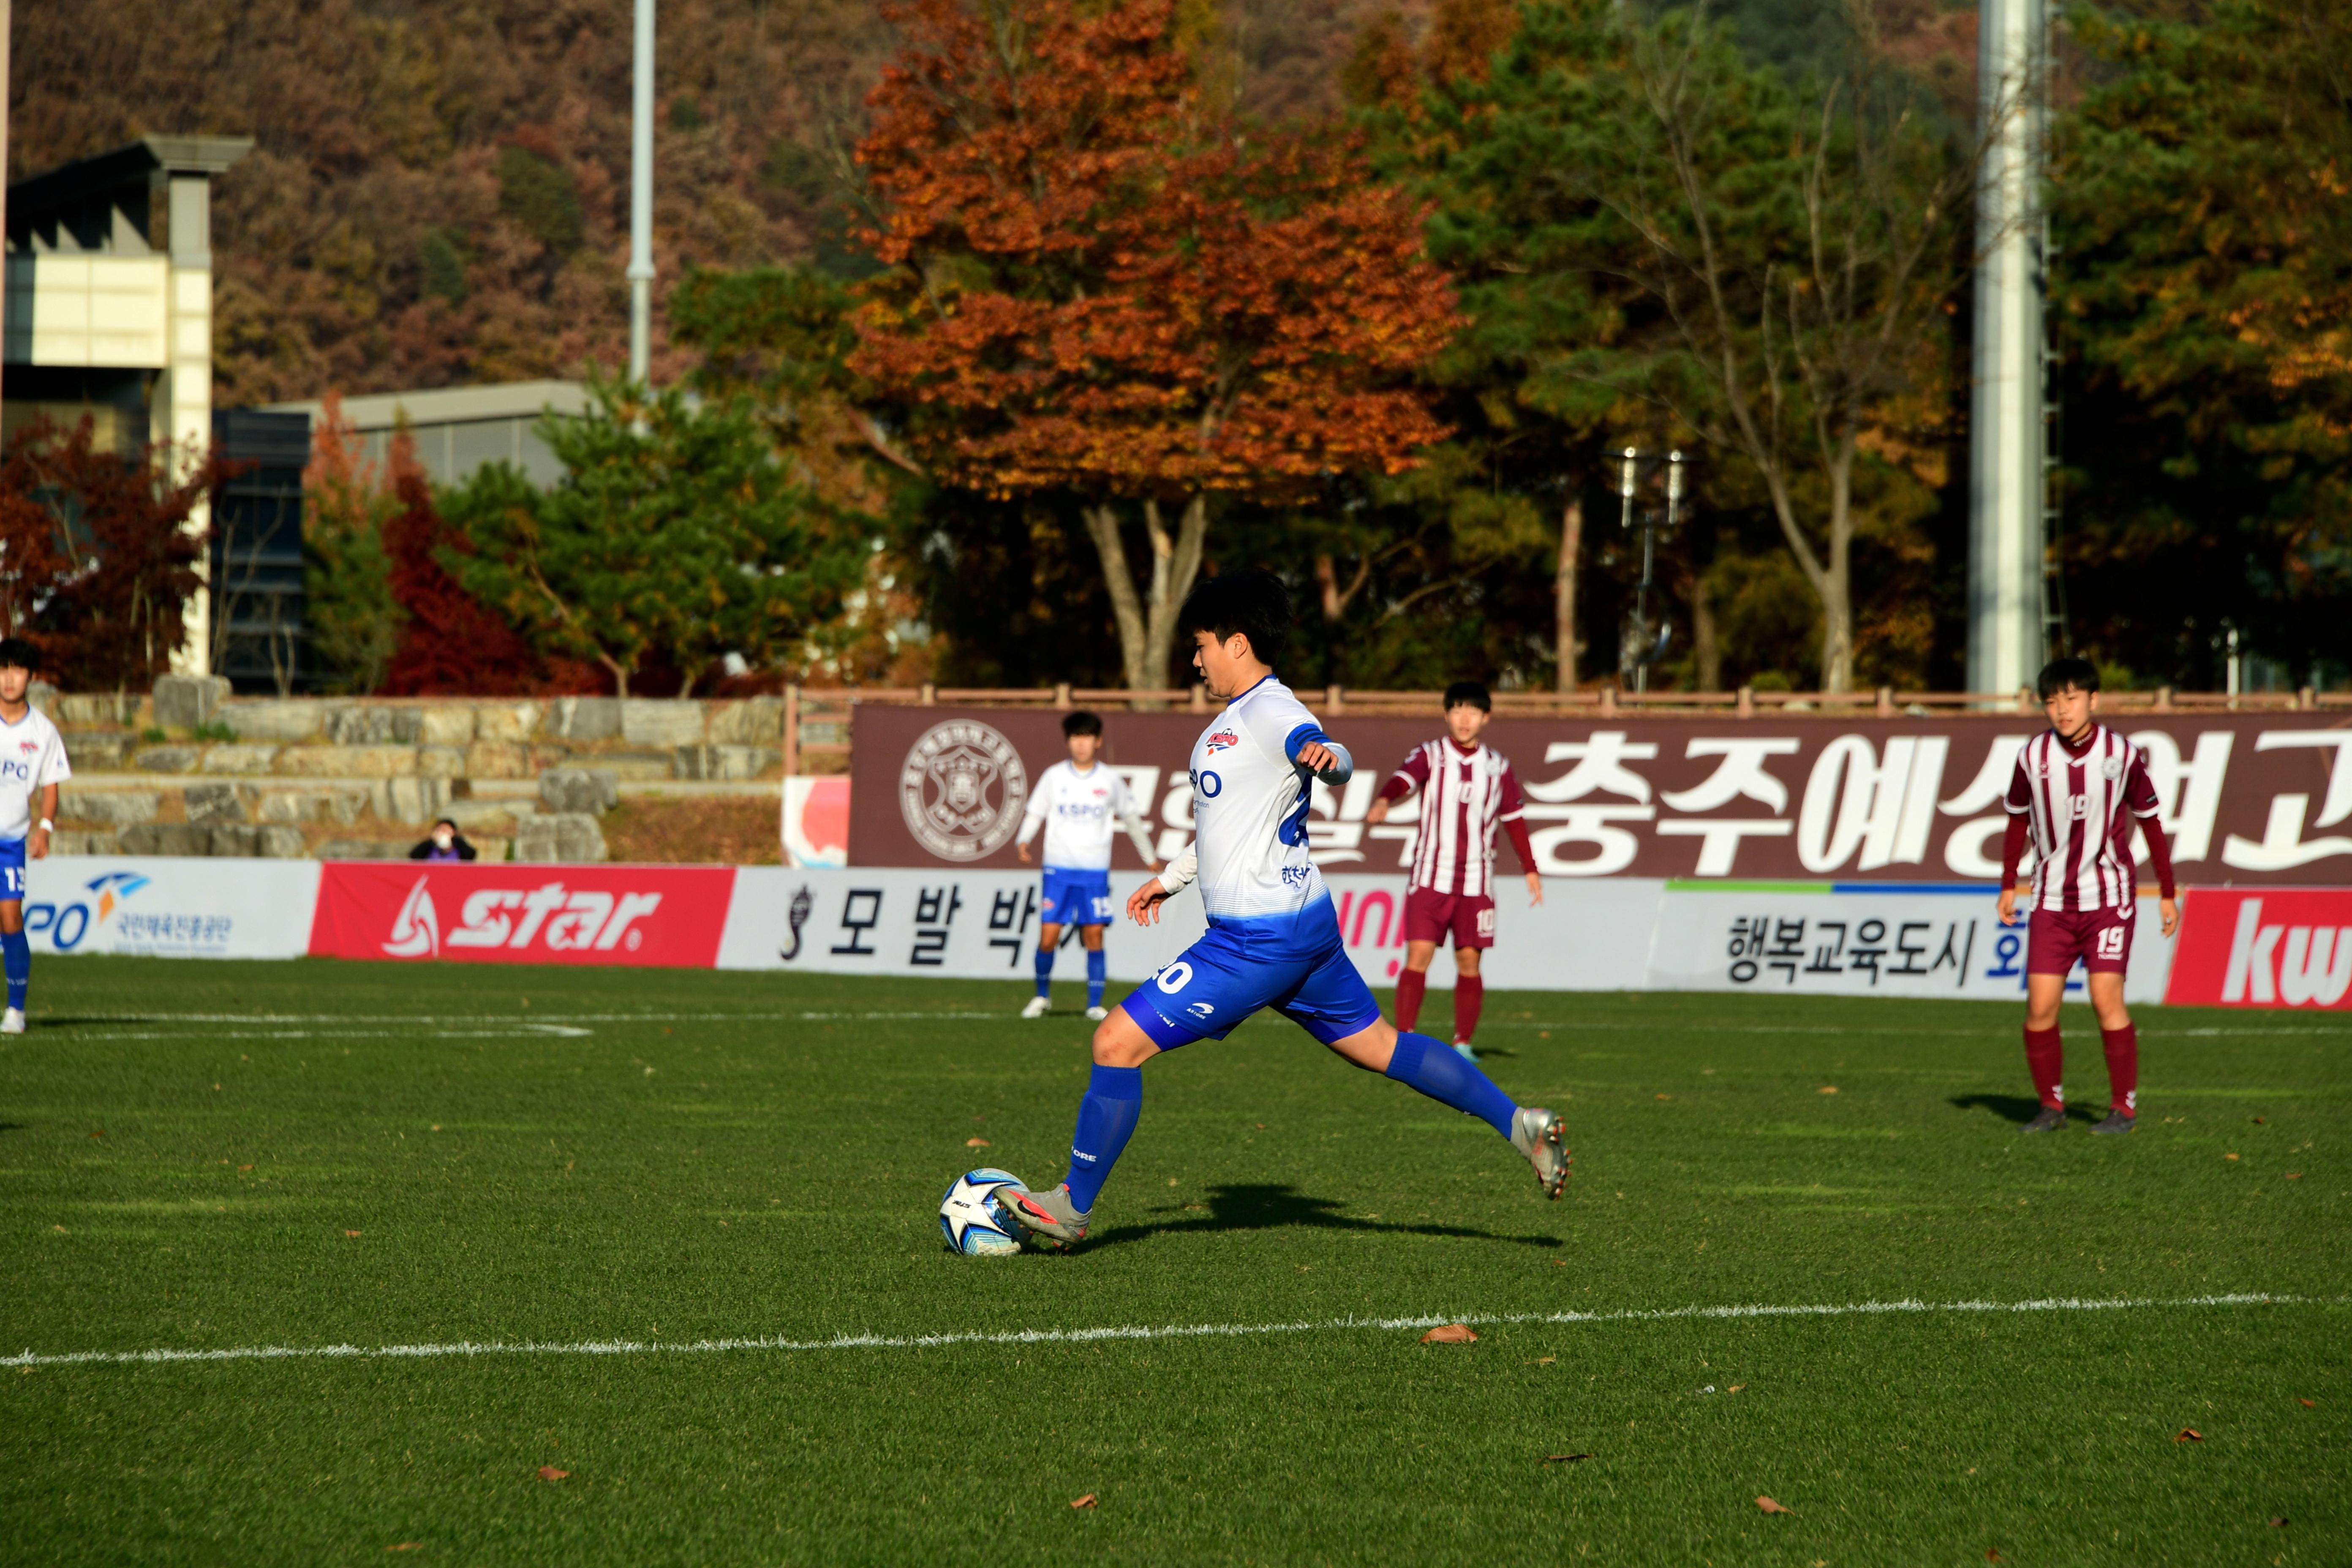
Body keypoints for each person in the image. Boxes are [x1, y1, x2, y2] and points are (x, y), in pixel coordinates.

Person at [994, 570, 1569, 1250]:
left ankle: (1071, 1208)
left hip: (1255, 941)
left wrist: (1327, 758)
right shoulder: (1232, 722)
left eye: (1203, 644)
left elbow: (1319, 748)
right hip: (1306, 928)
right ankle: (1518, 1123)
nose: (1196, 658)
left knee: (1115, 1043)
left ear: (1237, 643)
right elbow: (1227, 824)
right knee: (1380, 1046)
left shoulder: (1270, 709)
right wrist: (1171, 878)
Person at [1996, 657, 2180, 1134]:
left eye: (2072, 698)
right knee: (2040, 1008)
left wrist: (2166, 890)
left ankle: (2124, 1108)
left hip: (2108, 900)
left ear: (2093, 700)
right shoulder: (2031, 757)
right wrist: (2008, 883)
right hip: (2052, 903)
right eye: (2053, 701)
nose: (2062, 709)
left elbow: (2151, 820)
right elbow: (2017, 819)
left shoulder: (2121, 753)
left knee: (2105, 997)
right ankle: (2051, 1106)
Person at [1364, 681, 1542, 1061]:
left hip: (1477, 881)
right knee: (1420, 954)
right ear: (1446, 714)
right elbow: (1404, 779)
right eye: (1457, 710)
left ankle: (1463, 1042)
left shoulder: (1497, 766)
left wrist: (1531, 869)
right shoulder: (1431, 755)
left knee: (1469, 961)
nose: (1465, 719)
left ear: (1486, 717)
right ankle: (1405, 1038)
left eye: (1473, 711)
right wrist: (1384, 798)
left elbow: (1513, 819)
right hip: (1431, 876)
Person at [1015, 712, 1159, 1020]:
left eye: (1087, 737)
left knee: (1094, 935)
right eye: (1075, 737)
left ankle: (1094, 1004)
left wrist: (1149, 858)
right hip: (1057, 871)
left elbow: (1132, 820)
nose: (1081, 744)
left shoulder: (1109, 780)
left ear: (1098, 741)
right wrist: (1023, 841)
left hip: (1095, 873)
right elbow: (1035, 813)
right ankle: (1042, 997)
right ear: (1068, 741)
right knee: (1048, 937)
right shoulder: (1054, 776)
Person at [0, 640, 68, 1035]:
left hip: (11, 840)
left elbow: (51, 784)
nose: (10, 679)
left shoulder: (43, 731)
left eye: (18, 671)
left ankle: (16, 1010)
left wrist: (45, 829)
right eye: (4, 670)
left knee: (10, 918)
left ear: (30, 677)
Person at [409, 819, 478, 862]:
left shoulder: (460, 847)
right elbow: (414, 856)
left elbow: (471, 855)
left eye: (446, 830)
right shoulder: (430, 847)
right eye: (440, 830)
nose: (443, 833)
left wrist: (455, 839)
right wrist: (432, 840)